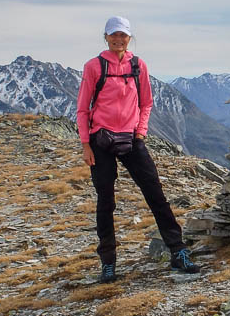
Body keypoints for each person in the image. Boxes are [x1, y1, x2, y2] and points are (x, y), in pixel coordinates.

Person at [76, 16, 200, 282]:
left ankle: (178, 252)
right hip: (101, 141)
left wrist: (141, 132)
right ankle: (108, 263)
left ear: (129, 38)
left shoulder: (137, 65)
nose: (118, 39)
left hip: (131, 138)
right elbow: (83, 109)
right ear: (106, 37)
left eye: (123, 35)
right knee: (106, 201)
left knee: (155, 193)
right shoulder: (94, 66)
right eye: (114, 35)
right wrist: (86, 144)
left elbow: (147, 102)